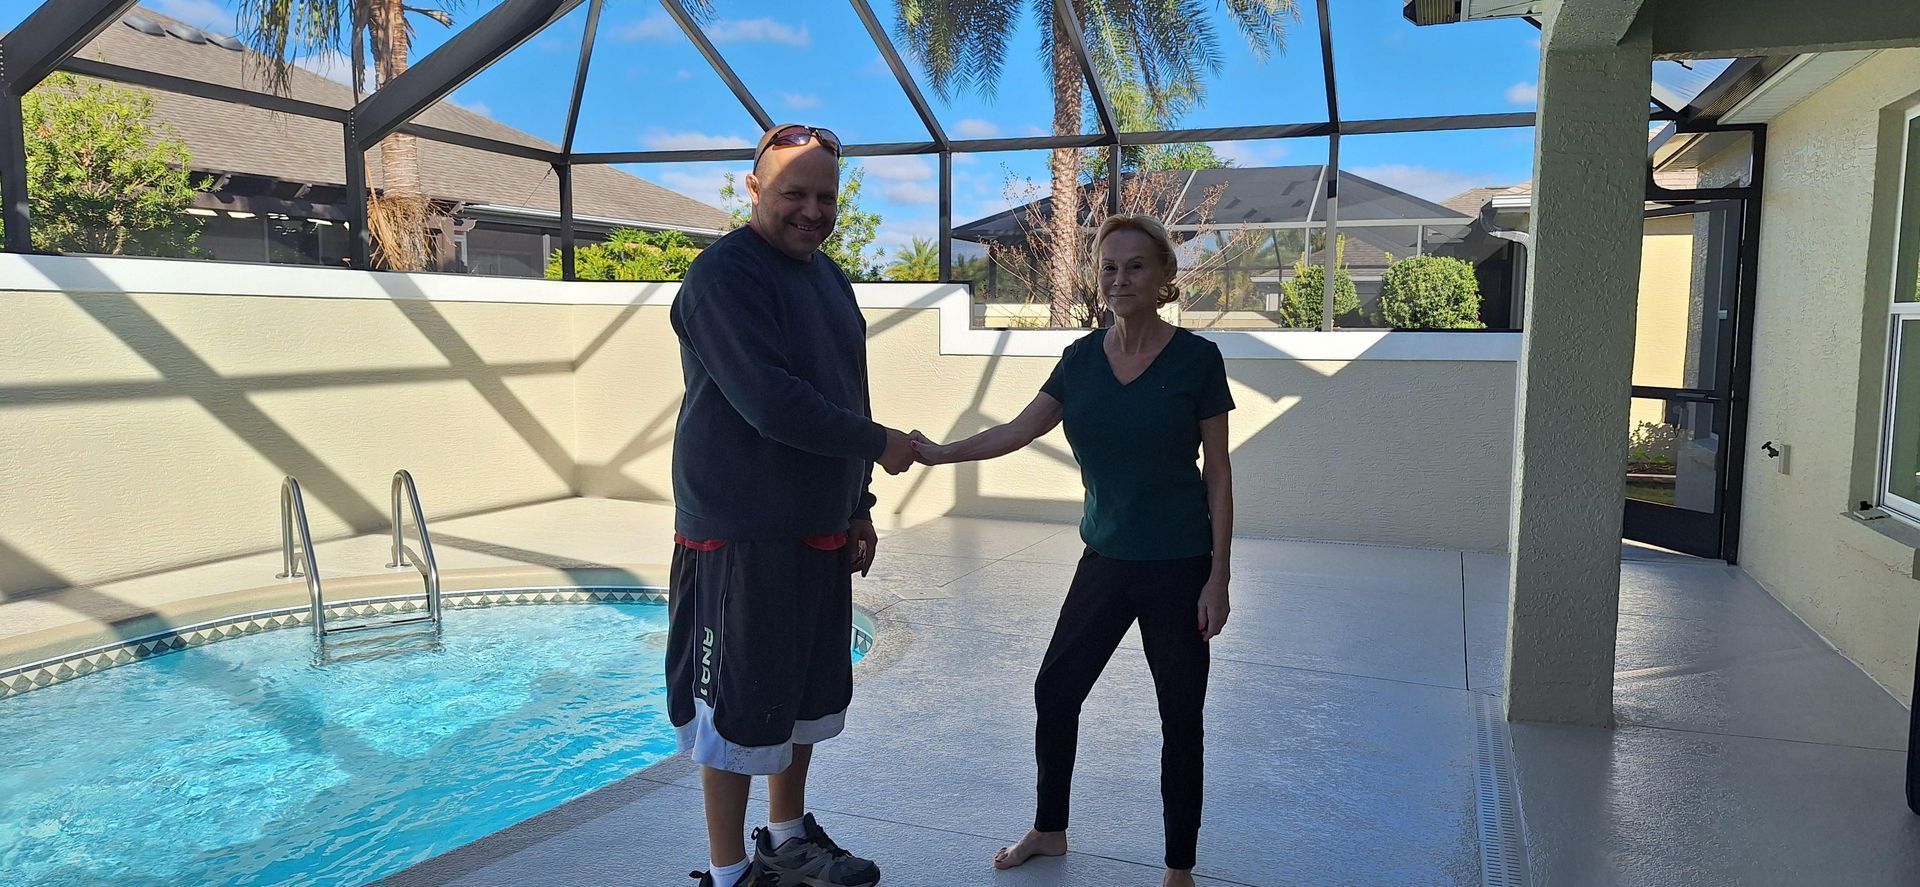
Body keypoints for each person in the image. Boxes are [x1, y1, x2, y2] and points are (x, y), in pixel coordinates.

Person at [910, 213, 1235, 887]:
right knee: (1056, 688)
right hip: (1107, 559)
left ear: (1163, 277)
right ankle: (1050, 829)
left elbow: (1221, 475)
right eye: (1108, 266)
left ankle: (1179, 868)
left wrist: (1218, 578)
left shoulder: (1197, 360)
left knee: (1180, 715)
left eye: (1136, 265)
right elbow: (1018, 429)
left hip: (1179, 565)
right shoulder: (1081, 360)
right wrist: (941, 453)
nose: (1119, 278)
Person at [667, 122, 916, 887]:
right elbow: (772, 403)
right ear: (752, 190)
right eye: (793, 194)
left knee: (801, 701)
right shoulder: (723, 278)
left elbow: (844, 388)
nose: (812, 210)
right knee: (735, 715)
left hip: (814, 525)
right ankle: (729, 871)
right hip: (740, 532)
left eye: (824, 196)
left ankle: (784, 836)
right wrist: (878, 441)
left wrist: (859, 503)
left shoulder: (830, 279)